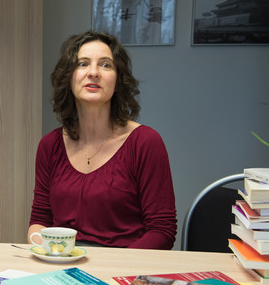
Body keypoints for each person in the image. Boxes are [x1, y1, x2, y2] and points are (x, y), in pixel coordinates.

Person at [28, 30, 176, 250]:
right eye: (83, 64)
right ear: (68, 77)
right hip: (63, 266)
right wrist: (49, 253)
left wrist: (112, 270)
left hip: (125, 271)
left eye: (106, 65)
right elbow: (40, 220)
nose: (94, 72)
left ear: (118, 80)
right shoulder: (50, 145)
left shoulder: (145, 142)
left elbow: (162, 230)